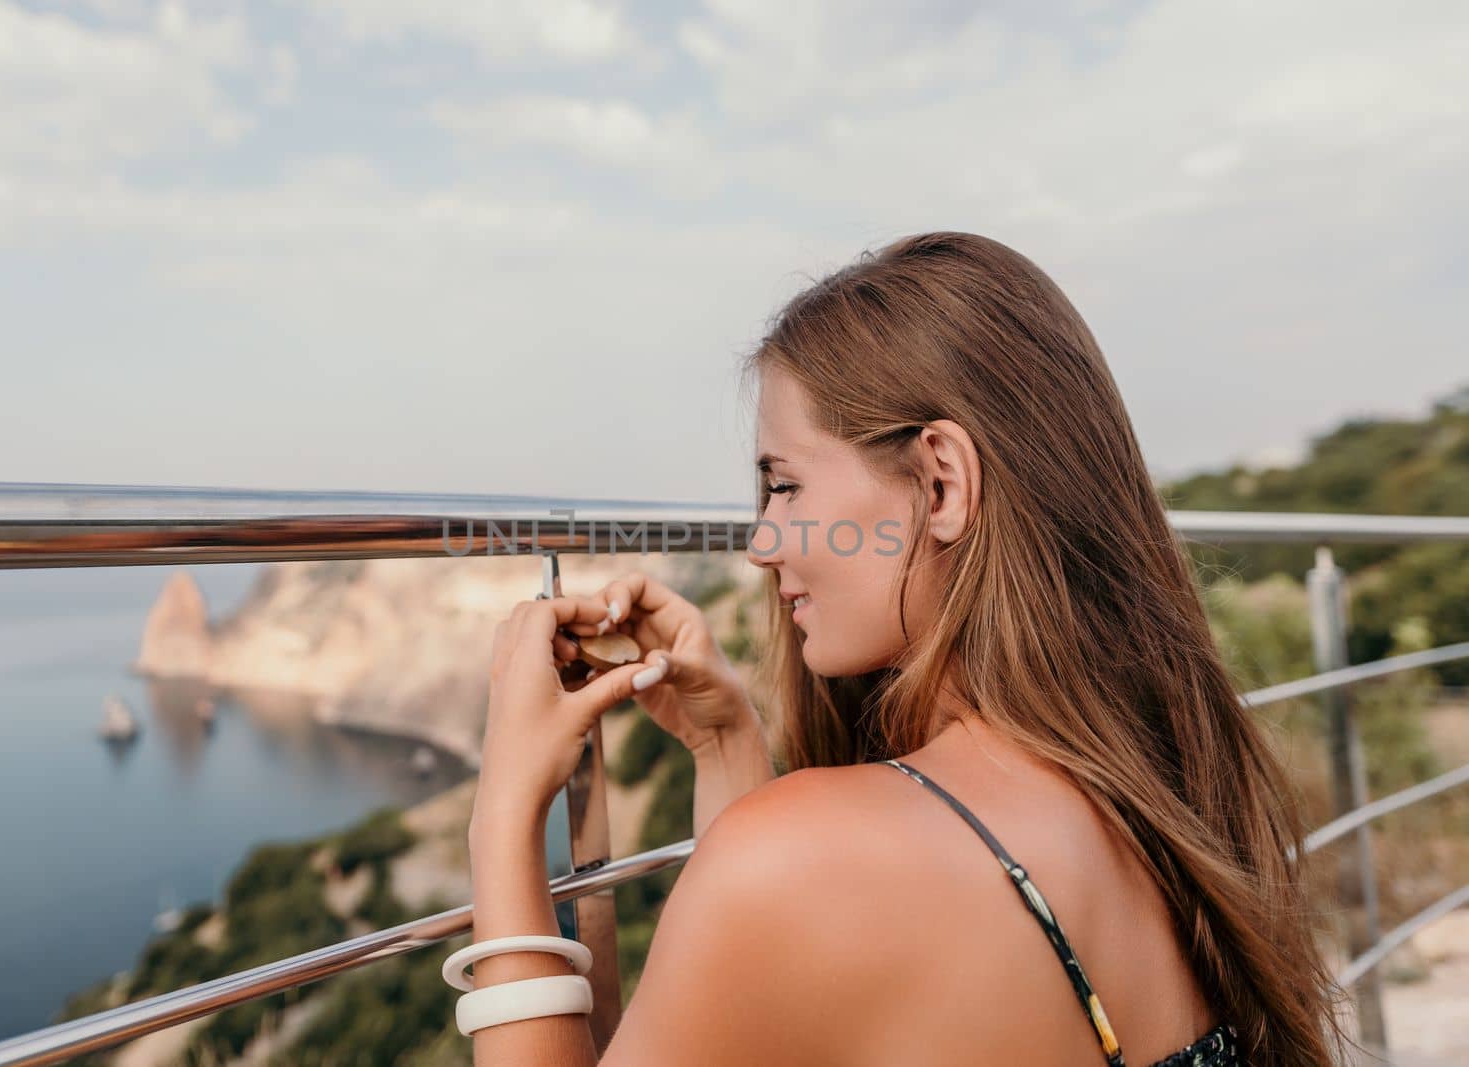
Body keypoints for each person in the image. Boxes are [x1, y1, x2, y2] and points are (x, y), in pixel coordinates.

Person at [459, 232, 1343, 1066]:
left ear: (942, 481)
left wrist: (505, 813)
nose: (763, 544)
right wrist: (724, 741)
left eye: (787, 485)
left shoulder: (804, 857)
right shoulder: (1169, 790)